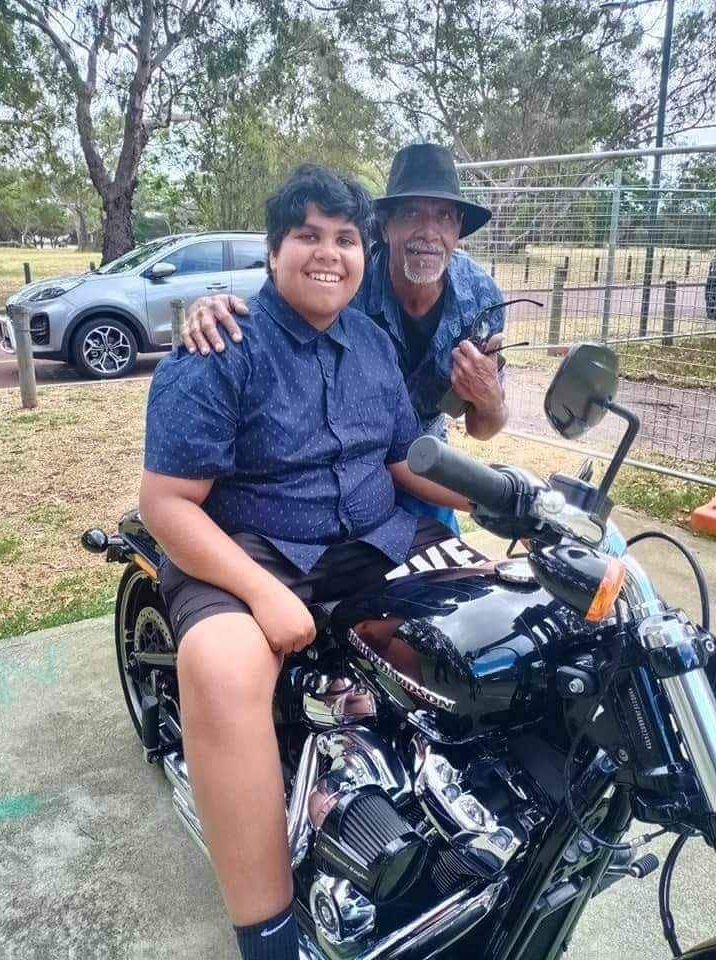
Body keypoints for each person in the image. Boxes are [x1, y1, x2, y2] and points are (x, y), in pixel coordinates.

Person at [139, 164, 488, 960]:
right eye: (307, 235)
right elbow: (167, 506)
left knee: (487, 630)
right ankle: (266, 934)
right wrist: (262, 592)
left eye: (343, 238)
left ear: (363, 253)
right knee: (224, 668)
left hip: (371, 541)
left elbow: (408, 461)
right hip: (245, 550)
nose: (327, 254)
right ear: (271, 250)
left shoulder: (370, 346)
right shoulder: (220, 345)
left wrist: (506, 496)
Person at [180, 143, 508, 534]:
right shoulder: (348, 280)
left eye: (443, 217)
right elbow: (288, 289)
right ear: (385, 227)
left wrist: (489, 399)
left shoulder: (481, 299)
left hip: (419, 447)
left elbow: (482, 428)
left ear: (458, 232)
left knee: (444, 570)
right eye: (411, 213)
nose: (429, 232)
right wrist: (212, 305)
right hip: (329, 443)